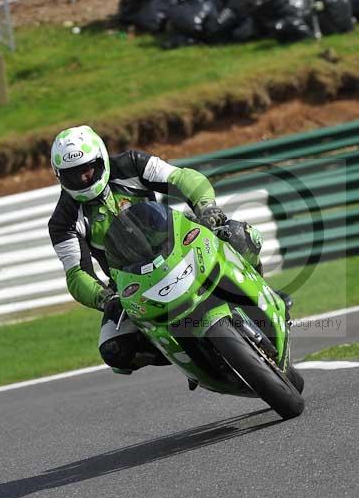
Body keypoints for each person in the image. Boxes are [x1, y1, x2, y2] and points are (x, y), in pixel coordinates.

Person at [47, 125, 265, 375]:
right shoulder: (62, 221)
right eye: (73, 175)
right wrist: (104, 297)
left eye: (88, 169)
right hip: (133, 283)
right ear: (59, 176)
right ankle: (188, 359)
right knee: (115, 350)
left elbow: (182, 178)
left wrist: (206, 208)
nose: (84, 178)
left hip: (181, 244)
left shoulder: (131, 163)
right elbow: (76, 275)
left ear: (101, 159)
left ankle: (262, 295)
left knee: (240, 235)